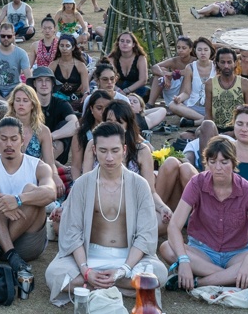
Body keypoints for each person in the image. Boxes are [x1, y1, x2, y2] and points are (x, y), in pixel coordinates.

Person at [45, 121, 166, 306]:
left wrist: (123, 269)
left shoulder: (139, 185)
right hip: (89, 254)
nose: (109, 157)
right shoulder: (83, 184)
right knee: (54, 274)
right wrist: (86, 270)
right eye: (103, 151)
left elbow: (145, 235)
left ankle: (99, 285)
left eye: (114, 150)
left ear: (124, 150)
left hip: (128, 258)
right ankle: (114, 286)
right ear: (94, 150)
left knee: (158, 273)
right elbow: (73, 231)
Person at [161, 136, 248, 290]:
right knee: (167, 247)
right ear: (207, 163)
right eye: (212, 162)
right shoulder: (197, 183)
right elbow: (174, 226)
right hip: (202, 251)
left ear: (234, 163)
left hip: (237, 252)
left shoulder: (247, 189)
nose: (218, 168)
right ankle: (233, 277)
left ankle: (200, 282)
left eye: (224, 162)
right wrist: (184, 259)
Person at [0, 118, 59, 272]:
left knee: (31, 189)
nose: (9, 144)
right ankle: (9, 252)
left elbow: (51, 193)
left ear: (22, 140)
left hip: (27, 244)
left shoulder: (39, 166)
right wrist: (0, 202)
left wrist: (18, 200)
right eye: (4, 139)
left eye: (14, 139)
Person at [194, 47, 248, 158]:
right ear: (217, 63)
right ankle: (205, 164)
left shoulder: (245, 83)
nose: (226, 66)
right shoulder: (210, 84)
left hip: (238, 129)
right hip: (216, 128)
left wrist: (234, 133)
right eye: (222, 62)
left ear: (235, 63)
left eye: (229, 62)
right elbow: (208, 114)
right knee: (198, 131)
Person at [166, 37, 216, 127]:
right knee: (172, 105)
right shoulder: (190, 67)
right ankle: (205, 120)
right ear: (195, 51)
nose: (203, 53)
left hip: (212, 106)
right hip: (193, 107)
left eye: (206, 50)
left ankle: (195, 122)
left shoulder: (216, 67)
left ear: (211, 51)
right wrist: (179, 98)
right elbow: (186, 93)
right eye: (199, 50)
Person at [30, 68, 79, 159]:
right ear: (34, 84)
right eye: (40, 80)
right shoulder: (28, 103)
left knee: (65, 124)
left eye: (47, 80)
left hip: (56, 149)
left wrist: (50, 137)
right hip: (32, 148)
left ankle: (45, 163)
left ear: (53, 84)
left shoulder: (61, 103)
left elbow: (75, 124)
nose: (44, 84)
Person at [110, 31, 151, 99]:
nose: (124, 44)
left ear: (133, 44)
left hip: (135, 89)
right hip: (116, 88)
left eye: (128, 41)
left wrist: (127, 91)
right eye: (122, 41)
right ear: (118, 43)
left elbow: (143, 80)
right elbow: (109, 78)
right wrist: (118, 90)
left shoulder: (140, 58)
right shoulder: (112, 58)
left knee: (146, 91)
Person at [52, 35, 88, 111]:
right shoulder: (53, 65)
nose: (64, 48)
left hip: (76, 99)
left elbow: (85, 88)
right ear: (58, 47)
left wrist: (86, 94)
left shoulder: (80, 65)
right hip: (57, 99)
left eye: (67, 46)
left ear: (73, 47)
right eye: (62, 45)